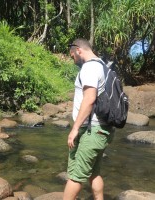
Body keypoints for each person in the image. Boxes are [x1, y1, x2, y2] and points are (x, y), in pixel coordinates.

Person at [63, 39, 115, 200]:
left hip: (92, 129)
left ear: (78, 50)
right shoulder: (103, 66)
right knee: (94, 172)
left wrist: (75, 128)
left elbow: (89, 99)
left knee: (76, 176)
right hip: (101, 128)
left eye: (72, 56)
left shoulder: (90, 68)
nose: (73, 61)